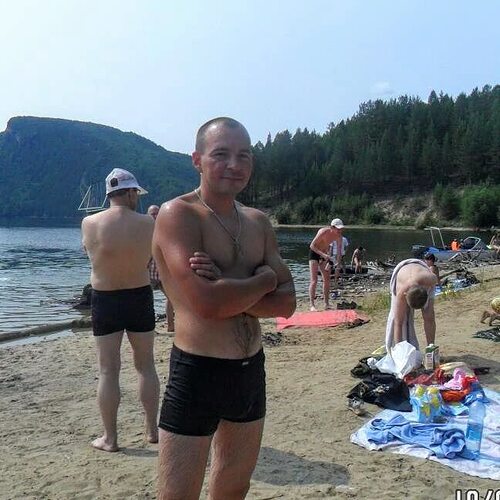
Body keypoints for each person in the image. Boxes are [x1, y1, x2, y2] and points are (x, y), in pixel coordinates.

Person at [152, 117, 296, 500]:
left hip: (250, 371)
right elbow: (208, 304)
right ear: (197, 160)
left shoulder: (257, 222)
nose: (234, 164)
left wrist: (227, 284)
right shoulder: (178, 215)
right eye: (221, 154)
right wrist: (263, 280)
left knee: (234, 487)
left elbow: (288, 303)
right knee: (177, 494)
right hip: (198, 371)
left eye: (243, 156)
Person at [81, 168, 160, 452]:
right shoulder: (148, 222)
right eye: (136, 193)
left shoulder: (89, 222)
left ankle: (110, 438)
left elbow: (89, 253)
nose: (137, 197)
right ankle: (152, 430)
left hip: (105, 298)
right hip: (139, 295)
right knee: (145, 365)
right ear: (130, 193)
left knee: (108, 370)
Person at [385, 259, 438, 352]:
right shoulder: (401, 292)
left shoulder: (429, 279)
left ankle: (431, 347)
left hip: (421, 272)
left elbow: (434, 276)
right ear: (405, 295)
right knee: (398, 318)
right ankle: (401, 349)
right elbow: (398, 323)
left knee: (429, 316)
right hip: (403, 271)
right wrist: (399, 351)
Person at [147, 205, 175, 332]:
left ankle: (170, 326)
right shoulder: (145, 231)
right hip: (149, 272)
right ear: (148, 215)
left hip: (163, 272)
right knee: (146, 300)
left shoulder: (167, 229)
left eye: (157, 213)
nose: (155, 216)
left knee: (172, 297)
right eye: (152, 213)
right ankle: (149, 327)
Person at [308, 218, 344, 311]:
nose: (339, 230)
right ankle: (312, 305)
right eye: (338, 229)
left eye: (341, 229)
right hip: (315, 253)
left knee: (327, 280)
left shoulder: (339, 236)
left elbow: (339, 251)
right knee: (314, 280)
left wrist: (338, 263)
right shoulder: (323, 232)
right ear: (332, 227)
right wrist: (323, 255)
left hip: (325, 254)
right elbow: (312, 245)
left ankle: (326, 304)